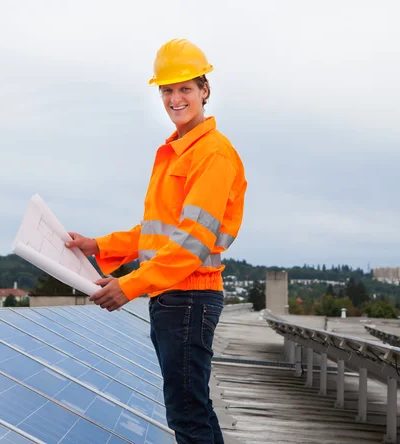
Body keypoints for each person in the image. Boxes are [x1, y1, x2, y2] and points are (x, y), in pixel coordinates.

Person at [66, 38, 247, 444]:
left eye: (185, 88)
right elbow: (157, 230)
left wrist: (128, 285)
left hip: (189, 297)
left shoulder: (211, 154)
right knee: (192, 409)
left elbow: (192, 242)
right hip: (174, 297)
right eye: (167, 89)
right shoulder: (178, 150)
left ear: (205, 90)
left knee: (188, 414)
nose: (175, 98)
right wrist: (99, 245)